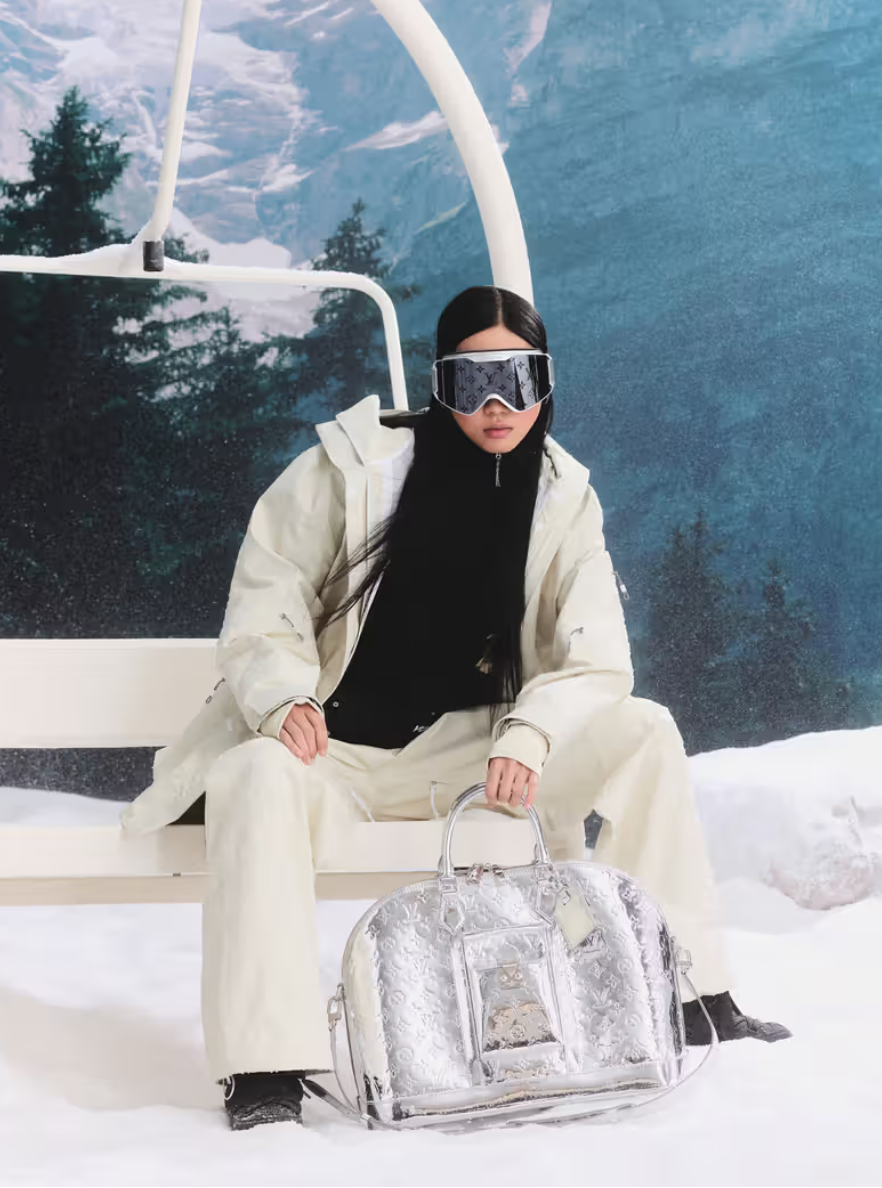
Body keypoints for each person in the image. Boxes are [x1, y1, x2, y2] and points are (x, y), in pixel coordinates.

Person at [124, 285, 790, 1132]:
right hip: (336, 753)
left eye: (519, 378)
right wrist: (282, 693)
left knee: (644, 732)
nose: (498, 404)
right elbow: (268, 595)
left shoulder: (562, 498)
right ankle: (265, 1065)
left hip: (482, 758)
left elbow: (597, 657)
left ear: (546, 384)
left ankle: (686, 995)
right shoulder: (350, 471)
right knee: (255, 772)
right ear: (441, 385)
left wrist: (532, 731)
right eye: (475, 382)